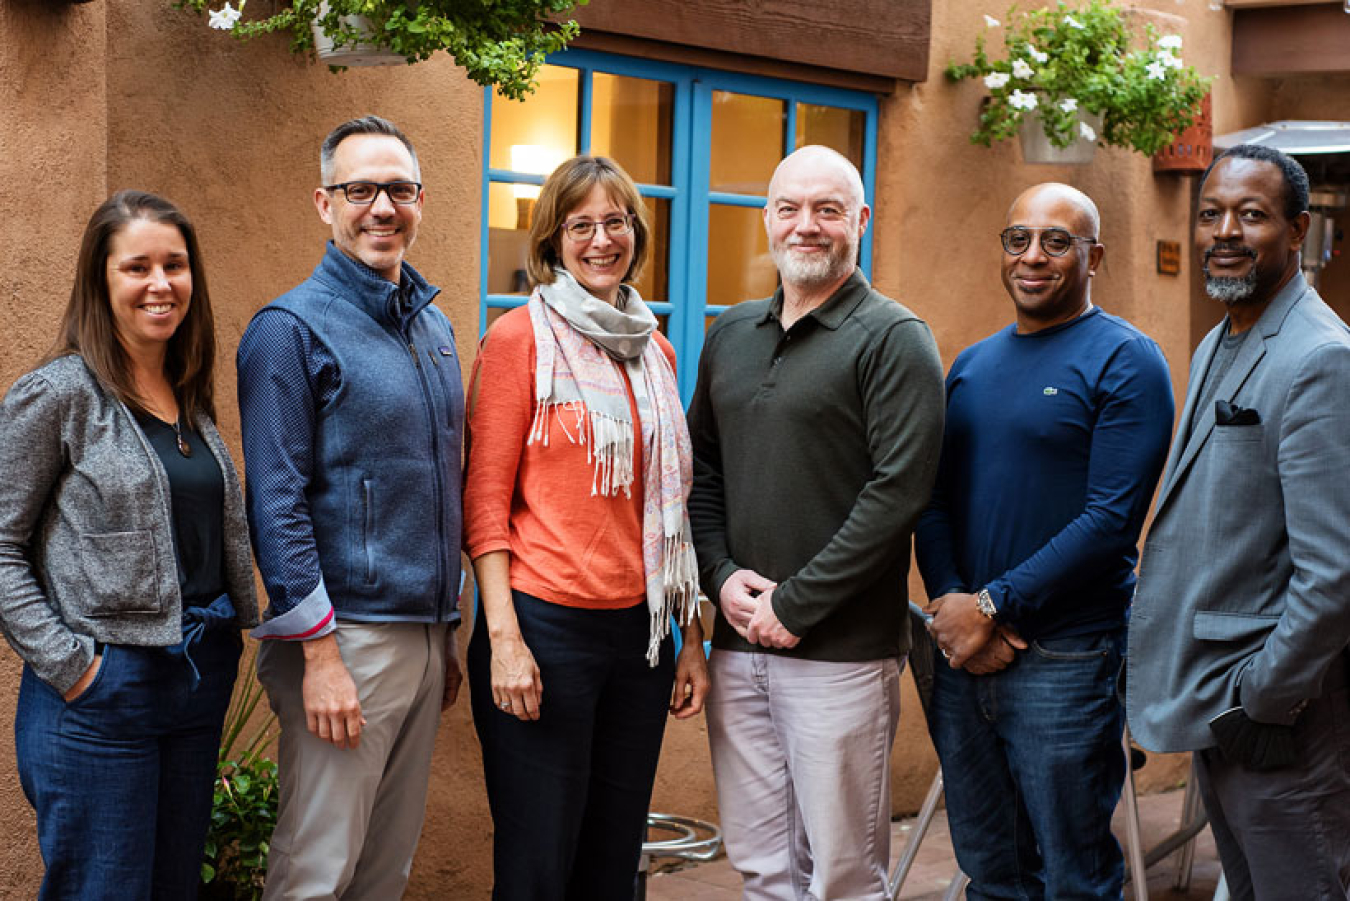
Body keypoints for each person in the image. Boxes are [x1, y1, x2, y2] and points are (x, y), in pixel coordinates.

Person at [687, 145, 945, 901]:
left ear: (859, 221)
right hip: (738, 648)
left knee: (841, 876)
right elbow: (702, 475)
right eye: (791, 208)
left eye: (828, 210)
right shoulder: (732, 333)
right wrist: (723, 578)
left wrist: (793, 606)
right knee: (764, 868)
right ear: (767, 218)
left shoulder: (894, 338)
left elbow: (898, 493)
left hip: (841, 658)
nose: (807, 226)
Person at [915, 182, 1174, 900]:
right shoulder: (968, 364)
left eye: (1057, 241)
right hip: (962, 655)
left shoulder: (1127, 360)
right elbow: (931, 499)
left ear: (1095, 256)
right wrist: (952, 607)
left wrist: (993, 605)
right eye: (1018, 239)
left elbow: (1112, 519)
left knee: (1074, 876)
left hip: (1066, 655)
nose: (1033, 256)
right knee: (992, 871)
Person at [0, 190, 258, 899]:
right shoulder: (59, 394)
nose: (160, 283)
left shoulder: (189, 397)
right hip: (101, 694)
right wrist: (74, 666)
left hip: (196, 680)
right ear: (100, 279)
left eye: (174, 265)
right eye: (136, 266)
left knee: (174, 886)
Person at [463, 154, 707, 900]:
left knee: (611, 863)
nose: (602, 239)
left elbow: (669, 510)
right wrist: (504, 640)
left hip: (640, 641)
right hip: (544, 632)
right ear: (553, 238)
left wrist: (688, 641)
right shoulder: (519, 339)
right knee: (539, 865)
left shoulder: (657, 350)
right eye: (582, 225)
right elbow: (483, 504)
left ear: (636, 232)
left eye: (617, 222)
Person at [236, 115, 465, 900]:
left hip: (424, 634)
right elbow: (274, 500)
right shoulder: (288, 330)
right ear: (323, 202)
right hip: (345, 641)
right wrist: (320, 655)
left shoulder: (432, 327)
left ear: (421, 201)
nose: (381, 207)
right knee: (317, 871)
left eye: (398, 189)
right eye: (359, 189)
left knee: (382, 872)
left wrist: (449, 630)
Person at [1128, 145, 1350, 901]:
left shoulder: (1321, 358)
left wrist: (1263, 698)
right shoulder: (1219, 340)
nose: (1225, 230)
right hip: (1221, 709)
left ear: (1297, 231)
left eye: (1251, 215)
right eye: (1211, 213)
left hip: (1281, 720)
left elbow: (1334, 572)